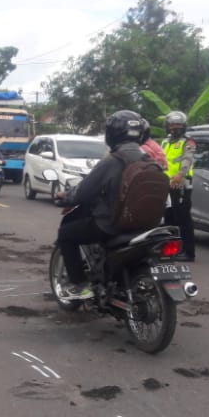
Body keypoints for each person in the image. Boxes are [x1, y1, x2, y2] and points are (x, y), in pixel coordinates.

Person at [56, 110, 149, 299]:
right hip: (147, 224)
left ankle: (81, 285)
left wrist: (66, 196)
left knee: (66, 235)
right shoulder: (150, 161)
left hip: (111, 225)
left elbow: (83, 192)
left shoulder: (112, 161)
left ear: (111, 134)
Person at [161, 110, 196, 262]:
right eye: (173, 125)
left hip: (181, 185)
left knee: (183, 219)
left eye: (179, 125)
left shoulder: (188, 142)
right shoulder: (165, 142)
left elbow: (187, 160)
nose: (175, 128)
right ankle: (168, 249)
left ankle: (188, 252)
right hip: (166, 185)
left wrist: (180, 175)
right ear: (168, 126)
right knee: (168, 218)